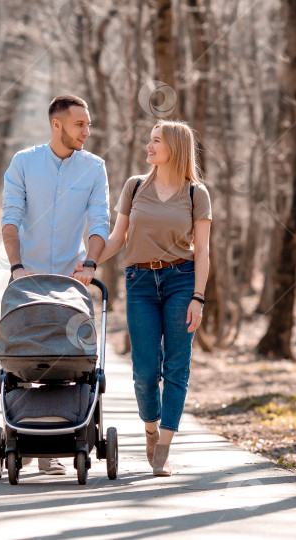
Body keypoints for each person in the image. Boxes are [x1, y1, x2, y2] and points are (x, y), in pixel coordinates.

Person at [77, 120, 211, 476]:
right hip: (139, 282)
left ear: (175, 148)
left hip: (181, 281)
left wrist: (198, 296)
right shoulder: (135, 187)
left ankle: (164, 446)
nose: (148, 146)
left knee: (177, 366)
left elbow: (203, 251)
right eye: (149, 140)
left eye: (156, 141)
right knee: (145, 371)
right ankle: (150, 429)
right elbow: (118, 238)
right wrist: (89, 264)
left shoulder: (197, 193)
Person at [1, 94, 110, 475]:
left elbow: (100, 220)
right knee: (23, 360)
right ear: (57, 124)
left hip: (70, 282)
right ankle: (21, 431)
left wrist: (91, 262)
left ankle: (52, 442)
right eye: (80, 123)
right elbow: (11, 218)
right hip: (26, 280)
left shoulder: (94, 168)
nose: (87, 131)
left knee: (70, 362)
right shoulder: (24, 163)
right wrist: (16, 267)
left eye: (89, 123)